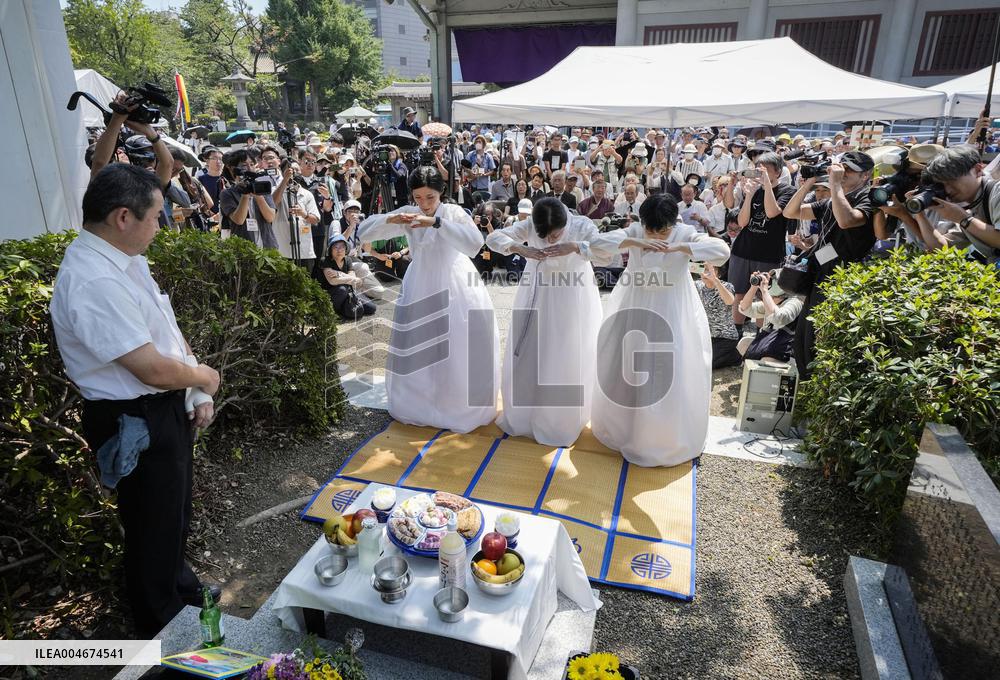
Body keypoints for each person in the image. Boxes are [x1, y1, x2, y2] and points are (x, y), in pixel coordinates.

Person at [50, 164, 221, 637]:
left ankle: (180, 589)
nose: (161, 226)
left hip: (159, 406)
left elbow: (165, 331)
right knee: (152, 524)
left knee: (173, 513)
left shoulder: (122, 259)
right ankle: (163, 629)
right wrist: (205, 376)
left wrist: (193, 389)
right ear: (123, 217)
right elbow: (150, 368)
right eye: (156, 216)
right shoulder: (94, 280)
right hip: (134, 417)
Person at [590, 194, 731, 467]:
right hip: (634, 306)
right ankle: (626, 430)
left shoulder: (684, 233)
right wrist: (636, 241)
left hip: (672, 309)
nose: (655, 235)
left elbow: (722, 251)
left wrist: (680, 247)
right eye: (650, 230)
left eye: (661, 231)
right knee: (628, 366)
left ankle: (660, 437)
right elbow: (596, 244)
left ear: (672, 223)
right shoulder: (635, 231)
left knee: (667, 367)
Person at [357, 166, 499, 432]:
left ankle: (455, 402)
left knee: (456, 342)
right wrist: (391, 219)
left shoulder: (452, 212)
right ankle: (421, 402)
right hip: (420, 281)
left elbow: (474, 244)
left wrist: (436, 223)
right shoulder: (409, 213)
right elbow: (364, 233)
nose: (424, 204)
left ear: (441, 192)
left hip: (454, 282)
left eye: (430, 197)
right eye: (418, 197)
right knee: (419, 342)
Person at [485, 197, 619, 446]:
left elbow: (606, 255)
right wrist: (520, 248)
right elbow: (493, 238)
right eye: (544, 236)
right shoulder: (530, 225)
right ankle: (528, 414)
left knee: (566, 353)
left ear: (565, 223)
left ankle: (560, 419)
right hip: (537, 293)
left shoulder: (581, 225)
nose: (549, 240)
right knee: (533, 351)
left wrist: (576, 247)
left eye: (555, 235)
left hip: (572, 297)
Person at [782, 151, 875, 380]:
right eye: (841, 167)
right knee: (804, 336)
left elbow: (846, 220)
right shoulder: (831, 199)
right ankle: (806, 383)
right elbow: (790, 212)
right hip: (821, 274)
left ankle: (817, 385)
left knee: (822, 337)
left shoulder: (868, 197)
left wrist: (835, 185)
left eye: (850, 170)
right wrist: (810, 182)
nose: (843, 172)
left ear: (865, 176)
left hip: (845, 278)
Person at [729, 152, 798, 330]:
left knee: (764, 295)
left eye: (766, 170)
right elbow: (742, 222)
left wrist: (767, 185)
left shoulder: (788, 190)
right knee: (739, 293)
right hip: (743, 250)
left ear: (778, 172)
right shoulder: (754, 189)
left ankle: (761, 333)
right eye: (758, 169)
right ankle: (736, 333)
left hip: (769, 254)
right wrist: (749, 195)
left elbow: (771, 212)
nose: (760, 173)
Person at [912, 145, 1000, 264]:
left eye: (952, 181)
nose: (947, 190)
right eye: (942, 185)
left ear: (977, 170)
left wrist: (964, 219)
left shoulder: (997, 192)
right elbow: (941, 249)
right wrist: (919, 213)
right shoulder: (970, 207)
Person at [736, 269, 803, 363]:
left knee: (767, 360)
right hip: (771, 344)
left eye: (774, 280)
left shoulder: (795, 302)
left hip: (787, 350)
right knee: (743, 344)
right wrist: (753, 287)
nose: (770, 282)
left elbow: (779, 318)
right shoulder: (772, 301)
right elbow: (745, 309)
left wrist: (764, 291)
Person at [218, 149, 277, 248]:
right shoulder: (227, 193)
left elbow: (270, 217)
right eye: (244, 165)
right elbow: (239, 220)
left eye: (252, 164)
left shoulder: (263, 188)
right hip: (243, 250)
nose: (249, 168)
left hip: (267, 247)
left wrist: (257, 194)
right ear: (233, 169)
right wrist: (245, 194)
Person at [319, 234, 378, 321]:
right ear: (330, 249)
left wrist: (338, 273)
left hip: (348, 292)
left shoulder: (347, 260)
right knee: (342, 289)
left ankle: (344, 309)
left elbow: (353, 278)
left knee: (371, 308)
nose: (339, 250)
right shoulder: (325, 261)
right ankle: (332, 312)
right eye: (336, 247)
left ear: (346, 249)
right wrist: (351, 279)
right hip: (331, 294)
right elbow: (332, 281)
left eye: (342, 247)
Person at [695, 263, 742, 368]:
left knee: (705, 365)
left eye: (710, 270)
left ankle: (733, 356)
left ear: (719, 274)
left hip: (725, 337)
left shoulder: (727, 286)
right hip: (705, 336)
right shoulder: (697, 285)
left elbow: (730, 301)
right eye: (704, 269)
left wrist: (715, 280)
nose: (705, 273)